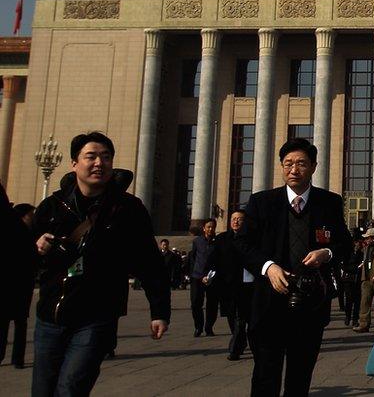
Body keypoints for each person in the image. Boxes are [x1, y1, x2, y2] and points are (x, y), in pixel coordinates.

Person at [32, 132, 170, 396]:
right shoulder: (53, 206)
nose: (99, 163)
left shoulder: (127, 209)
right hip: (51, 314)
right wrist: (36, 248)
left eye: (106, 157)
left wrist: (159, 310)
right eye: (91, 156)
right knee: (42, 389)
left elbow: (149, 262)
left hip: (96, 315)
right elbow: (25, 254)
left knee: (71, 387)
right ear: (74, 163)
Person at [236, 138, 352, 396]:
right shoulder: (262, 202)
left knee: (301, 374)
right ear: (281, 166)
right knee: (266, 373)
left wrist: (327, 252)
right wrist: (269, 267)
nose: (293, 169)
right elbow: (243, 245)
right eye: (288, 163)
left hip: (310, 303)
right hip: (269, 302)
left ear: (313, 166)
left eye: (301, 163)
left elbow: (345, 243)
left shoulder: (328, 202)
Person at [208, 210, 254, 361]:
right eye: (234, 219)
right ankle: (240, 340)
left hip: (246, 284)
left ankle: (234, 349)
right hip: (227, 284)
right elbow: (213, 259)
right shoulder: (222, 239)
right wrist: (208, 274)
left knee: (240, 318)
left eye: (239, 219)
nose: (236, 222)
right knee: (230, 316)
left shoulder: (251, 239)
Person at [1, 193, 36, 370]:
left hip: (20, 283)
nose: (34, 218)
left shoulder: (28, 233)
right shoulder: (19, 232)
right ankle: (17, 358)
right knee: (16, 322)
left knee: (16, 322)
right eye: (31, 215)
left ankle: (16, 357)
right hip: (17, 283)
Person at [186, 218, 219, 337]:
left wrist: (212, 275)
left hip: (213, 278)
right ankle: (198, 327)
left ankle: (209, 327)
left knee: (212, 304)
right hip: (197, 277)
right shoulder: (197, 241)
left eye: (213, 227)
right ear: (204, 228)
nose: (211, 229)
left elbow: (219, 261)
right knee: (195, 303)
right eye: (208, 227)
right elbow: (193, 258)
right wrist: (195, 274)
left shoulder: (218, 242)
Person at [353, 227, 374, 333]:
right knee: (364, 302)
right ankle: (364, 324)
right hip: (366, 278)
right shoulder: (366, 248)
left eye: (368, 238)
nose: (366, 240)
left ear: (373, 238)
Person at [342, 230, 365, 326]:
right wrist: (356, 267)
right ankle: (347, 317)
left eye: (359, 243)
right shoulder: (347, 253)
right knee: (349, 299)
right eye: (356, 242)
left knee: (357, 300)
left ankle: (355, 319)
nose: (358, 244)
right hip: (348, 278)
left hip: (358, 278)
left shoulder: (361, 253)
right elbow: (344, 266)